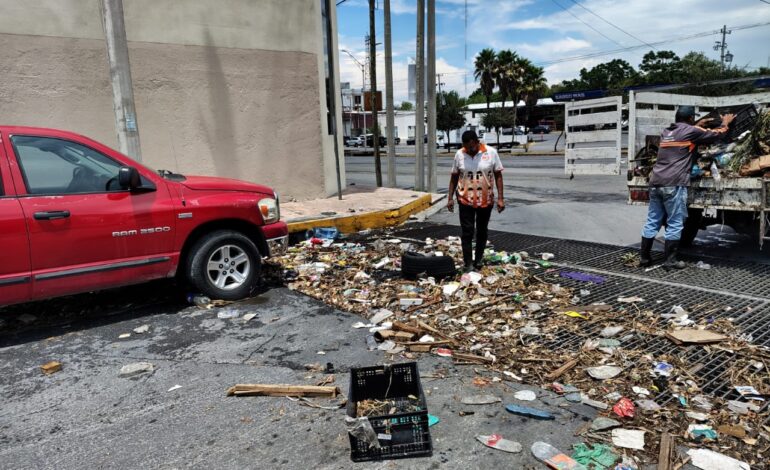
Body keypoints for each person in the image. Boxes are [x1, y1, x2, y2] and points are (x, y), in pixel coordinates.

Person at [640, 106, 734, 269]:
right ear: (690, 118)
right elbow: (717, 134)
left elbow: (685, 131)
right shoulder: (691, 132)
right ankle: (670, 261)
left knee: (652, 220)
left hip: (655, 182)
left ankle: (644, 258)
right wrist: (725, 123)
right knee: (675, 222)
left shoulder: (666, 132)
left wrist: (697, 123)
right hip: (674, 183)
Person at [447, 130, 505, 271]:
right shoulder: (460, 154)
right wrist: (450, 198)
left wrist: (501, 198)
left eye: (472, 147)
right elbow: (454, 176)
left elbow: (498, 175)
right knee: (467, 232)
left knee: (481, 231)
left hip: (486, 200)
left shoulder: (491, 153)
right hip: (465, 200)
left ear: (477, 142)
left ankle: (478, 259)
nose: (469, 151)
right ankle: (468, 263)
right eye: (467, 148)